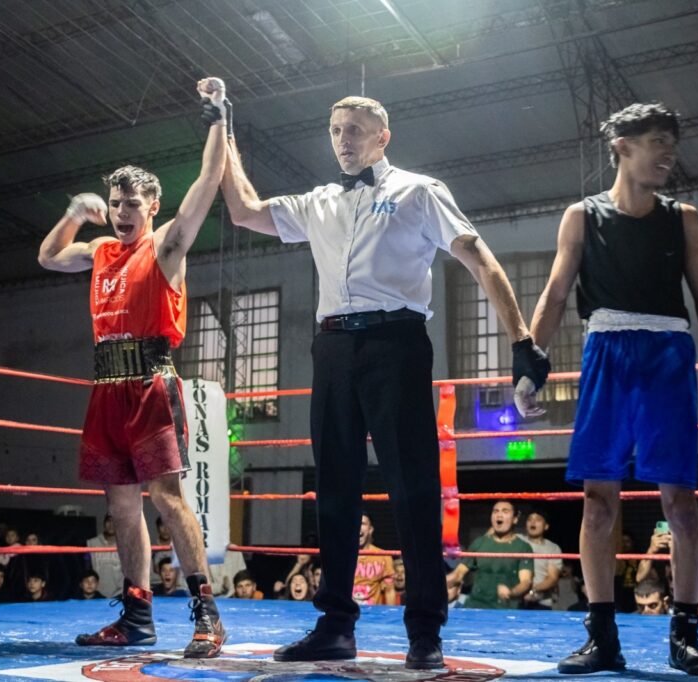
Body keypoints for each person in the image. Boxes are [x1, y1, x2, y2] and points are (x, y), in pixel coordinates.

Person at [221, 93, 548, 672]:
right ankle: (335, 626)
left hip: (396, 343)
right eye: (335, 130)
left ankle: (425, 630)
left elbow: (476, 255)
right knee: (334, 489)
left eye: (354, 129)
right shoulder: (318, 201)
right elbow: (245, 210)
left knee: (413, 486)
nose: (343, 140)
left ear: (382, 137)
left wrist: (521, 341)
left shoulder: (419, 191)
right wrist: (222, 132)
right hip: (332, 347)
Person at [524, 102, 698, 677]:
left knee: (680, 501)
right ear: (622, 147)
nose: (668, 154)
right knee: (597, 500)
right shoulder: (581, 217)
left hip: (668, 354)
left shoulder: (683, 217)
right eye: (657, 141)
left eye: (672, 143)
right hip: (606, 352)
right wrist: (530, 365)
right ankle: (602, 636)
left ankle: (685, 634)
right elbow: (555, 295)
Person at [37, 76, 230, 658]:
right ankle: (137, 616)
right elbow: (49, 256)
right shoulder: (98, 251)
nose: (123, 212)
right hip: (106, 387)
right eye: (115, 203)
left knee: (167, 498)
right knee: (121, 506)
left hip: (150, 382)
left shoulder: (166, 245)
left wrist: (219, 116)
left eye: (133, 204)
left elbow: (208, 181)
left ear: (152, 207)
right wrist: (74, 213)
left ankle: (207, 614)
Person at [446, 501, 534, 610]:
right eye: (495, 511)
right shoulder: (479, 543)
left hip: (506, 610)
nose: (499, 515)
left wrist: (512, 592)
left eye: (505, 511)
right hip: (475, 607)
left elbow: (526, 582)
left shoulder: (523, 547)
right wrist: (439, 583)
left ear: (515, 519)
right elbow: (459, 573)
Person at [518, 508, 562, 610]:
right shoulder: (517, 539)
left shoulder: (553, 548)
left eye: (537, 520)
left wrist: (532, 590)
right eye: (529, 519)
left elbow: (552, 578)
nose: (533, 522)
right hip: (515, 601)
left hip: (541, 602)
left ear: (546, 526)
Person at [352, 514, 398, 607]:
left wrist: (390, 613)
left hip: (373, 613)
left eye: (362, 523)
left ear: (370, 529)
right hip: (348, 612)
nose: (358, 527)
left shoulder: (383, 556)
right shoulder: (342, 556)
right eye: (355, 523)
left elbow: (389, 590)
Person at [86, 514, 125, 599]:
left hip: (119, 592)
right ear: (104, 523)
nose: (111, 524)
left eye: (114, 521)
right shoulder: (92, 543)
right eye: (108, 521)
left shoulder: (125, 544)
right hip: (97, 592)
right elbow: (87, 567)